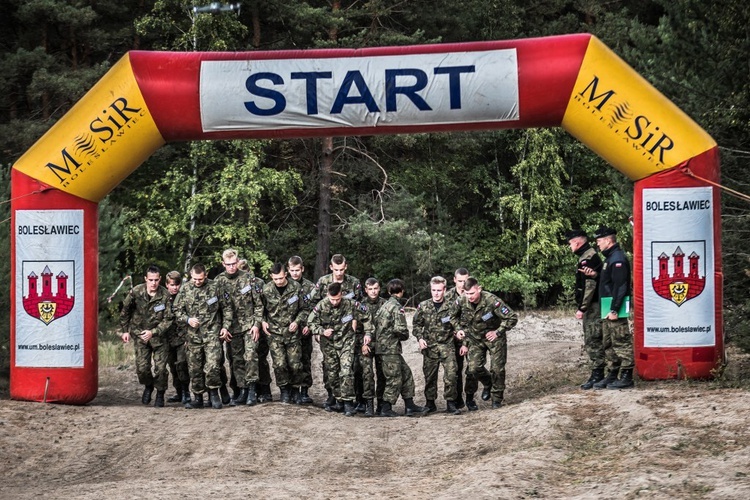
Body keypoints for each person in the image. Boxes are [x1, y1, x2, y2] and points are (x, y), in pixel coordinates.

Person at [174, 263, 234, 409]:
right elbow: (176, 310)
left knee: (213, 365)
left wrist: (225, 326)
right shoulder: (185, 289)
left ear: (205, 276)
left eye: (200, 279)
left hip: (212, 333)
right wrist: (188, 320)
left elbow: (227, 308)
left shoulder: (216, 287)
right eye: (194, 279)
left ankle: (214, 393)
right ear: (190, 276)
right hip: (193, 336)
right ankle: (198, 397)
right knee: (195, 368)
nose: (197, 282)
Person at [307, 282, 371, 416]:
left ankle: (348, 402)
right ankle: (339, 400)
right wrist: (322, 331)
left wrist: (368, 333)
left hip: (346, 342)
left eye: (337, 299)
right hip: (329, 344)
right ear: (327, 295)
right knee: (333, 373)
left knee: (346, 371)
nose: (335, 302)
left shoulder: (351, 304)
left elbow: (366, 316)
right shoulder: (321, 306)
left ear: (341, 294)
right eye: (332, 299)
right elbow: (310, 323)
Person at [454, 277, 518, 410]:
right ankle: (488, 382)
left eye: (472, 293)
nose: (469, 297)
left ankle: (496, 399)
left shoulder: (492, 301)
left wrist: (498, 332)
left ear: (479, 289)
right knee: (473, 368)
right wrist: (458, 329)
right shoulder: (461, 301)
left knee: (497, 369)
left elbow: (512, 317)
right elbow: (452, 316)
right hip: (475, 339)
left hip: (494, 338)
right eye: (467, 293)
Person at [368, 279, 428, 417]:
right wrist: (405, 335)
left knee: (406, 374)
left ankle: (409, 405)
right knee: (394, 378)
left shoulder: (384, 305)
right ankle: (385, 407)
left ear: (389, 291)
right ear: (402, 291)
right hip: (389, 349)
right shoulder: (396, 307)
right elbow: (400, 329)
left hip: (384, 348)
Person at [214, 249, 265, 406]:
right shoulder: (218, 282)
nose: (231, 267)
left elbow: (258, 304)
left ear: (238, 262)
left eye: (234, 263)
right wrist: (224, 327)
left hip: (249, 325)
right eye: (228, 264)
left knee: (250, 356)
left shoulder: (249, 279)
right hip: (231, 328)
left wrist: (257, 324)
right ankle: (242, 390)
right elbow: (216, 308)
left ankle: (251, 390)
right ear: (223, 264)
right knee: (236, 360)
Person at [311, 253, 362, 407]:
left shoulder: (353, 283)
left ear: (345, 267)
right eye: (336, 269)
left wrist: (355, 321)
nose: (339, 273)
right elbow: (313, 304)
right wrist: (318, 331)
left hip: (347, 331)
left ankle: (349, 398)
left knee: (349, 366)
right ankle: (333, 395)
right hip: (328, 332)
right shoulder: (323, 282)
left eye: (342, 269)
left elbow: (359, 305)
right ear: (331, 267)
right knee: (330, 366)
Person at [119, 265, 174, 407]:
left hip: (159, 337)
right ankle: (148, 386)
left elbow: (168, 319)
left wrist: (153, 332)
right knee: (142, 369)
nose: (154, 283)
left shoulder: (165, 295)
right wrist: (125, 330)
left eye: (156, 280)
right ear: (145, 279)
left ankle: (160, 393)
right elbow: (125, 311)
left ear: (160, 279)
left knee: (161, 369)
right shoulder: (136, 292)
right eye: (151, 280)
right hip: (140, 336)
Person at [592, 226, 634, 389]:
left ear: (609, 240)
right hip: (607, 305)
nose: (598, 245)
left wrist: (615, 309)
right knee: (608, 341)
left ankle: (626, 375)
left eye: (599, 241)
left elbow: (621, 285)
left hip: (615, 306)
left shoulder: (617, 259)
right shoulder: (609, 258)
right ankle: (612, 373)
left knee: (621, 340)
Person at [413, 276, 461, 415]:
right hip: (430, 347)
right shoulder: (423, 306)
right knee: (430, 376)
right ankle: (430, 403)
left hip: (447, 346)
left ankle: (451, 403)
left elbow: (458, 324)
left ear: (444, 290)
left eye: (439, 290)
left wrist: (459, 335)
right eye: (434, 290)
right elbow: (416, 325)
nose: (436, 293)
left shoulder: (452, 305)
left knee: (451, 375)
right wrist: (420, 338)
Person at [261, 262, 307, 404]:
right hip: (274, 333)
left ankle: (295, 390)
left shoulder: (296, 288)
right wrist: (262, 321)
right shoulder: (266, 290)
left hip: (292, 332)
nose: (279, 282)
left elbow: (304, 309)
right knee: (279, 364)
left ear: (285, 274)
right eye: (275, 279)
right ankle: (284, 390)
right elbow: (260, 309)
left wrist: (297, 321)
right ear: (271, 277)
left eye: (281, 278)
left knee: (295, 364)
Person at [565, 229, 605, 390]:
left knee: (593, 339)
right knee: (594, 338)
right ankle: (599, 372)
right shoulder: (587, 256)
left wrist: (582, 307)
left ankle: (598, 374)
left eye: (570, 244)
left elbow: (589, 286)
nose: (569, 247)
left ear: (577, 242)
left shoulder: (587, 258)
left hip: (593, 306)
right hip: (593, 305)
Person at [355, 277, 386, 416]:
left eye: (375, 289)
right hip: (365, 345)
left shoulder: (385, 304)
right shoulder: (360, 306)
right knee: (367, 373)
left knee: (382, 374)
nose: (373, 292)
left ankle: (381, 404)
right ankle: (368, 404)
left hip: (382, 344)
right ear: (366, 290)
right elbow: (356, 329)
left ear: (379, 288)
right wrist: (362, 344)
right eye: (370, 289)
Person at [287, 255, 316, 404]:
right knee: (292, 361)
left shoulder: (310, 287)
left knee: (305, 359)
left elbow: (314, 309)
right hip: (289, 331)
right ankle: (292, 390)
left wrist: (309, 326)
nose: (295, 273)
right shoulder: (285, 285)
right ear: (288, 270)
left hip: (304, 330)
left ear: (302, 269)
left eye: (297, 270)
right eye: (292, 270)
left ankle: (304, 390)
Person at [164, 270, 191, 405]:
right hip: (168, 339)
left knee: (182, 365)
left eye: (177, 285)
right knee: (173, 367)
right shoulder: (163, 298)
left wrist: (188, 337)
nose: (174, 287)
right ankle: (179, 392)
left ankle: (186, 391)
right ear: (167, 285)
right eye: (172, 285)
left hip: (182, 338)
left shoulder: (185, 297)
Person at [445, 267, 469, 409]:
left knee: (472, 369)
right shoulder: (447, 297)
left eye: (465, 280)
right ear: (454, 280)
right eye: (459, 281)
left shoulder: (472, 294)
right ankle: (457, 398)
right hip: (453, 339)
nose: (462, 284)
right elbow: (444, 318)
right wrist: (453, 331)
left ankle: (470, 398)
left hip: (470, 338)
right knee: (455, 370)